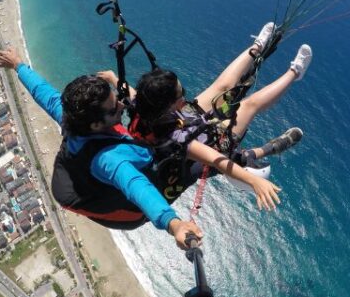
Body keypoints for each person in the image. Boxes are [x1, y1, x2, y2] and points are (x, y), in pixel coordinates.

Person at [0, 47, 202, 249]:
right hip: (129, 213)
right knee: (190, 167)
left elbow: (44, 93)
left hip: (92, 184)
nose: (122, 105)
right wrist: (173, 224)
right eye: (113, 107)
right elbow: (137, 187)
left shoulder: (74, 120)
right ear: (96, 125)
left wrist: (18, 65)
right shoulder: (109, 159)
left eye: (116, 99)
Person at [100, 22, 311, 205]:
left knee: (223, 85)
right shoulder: (176, 140)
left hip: (185, 119)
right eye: (180, 94)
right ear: (167, 105)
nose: (184, 96)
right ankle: (295, 73)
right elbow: (215, 159)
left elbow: (134, 94)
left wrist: (113, 77)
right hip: (211, 141)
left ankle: (257, 47)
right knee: (249, 105)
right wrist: (254, 181)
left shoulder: (144, 106)